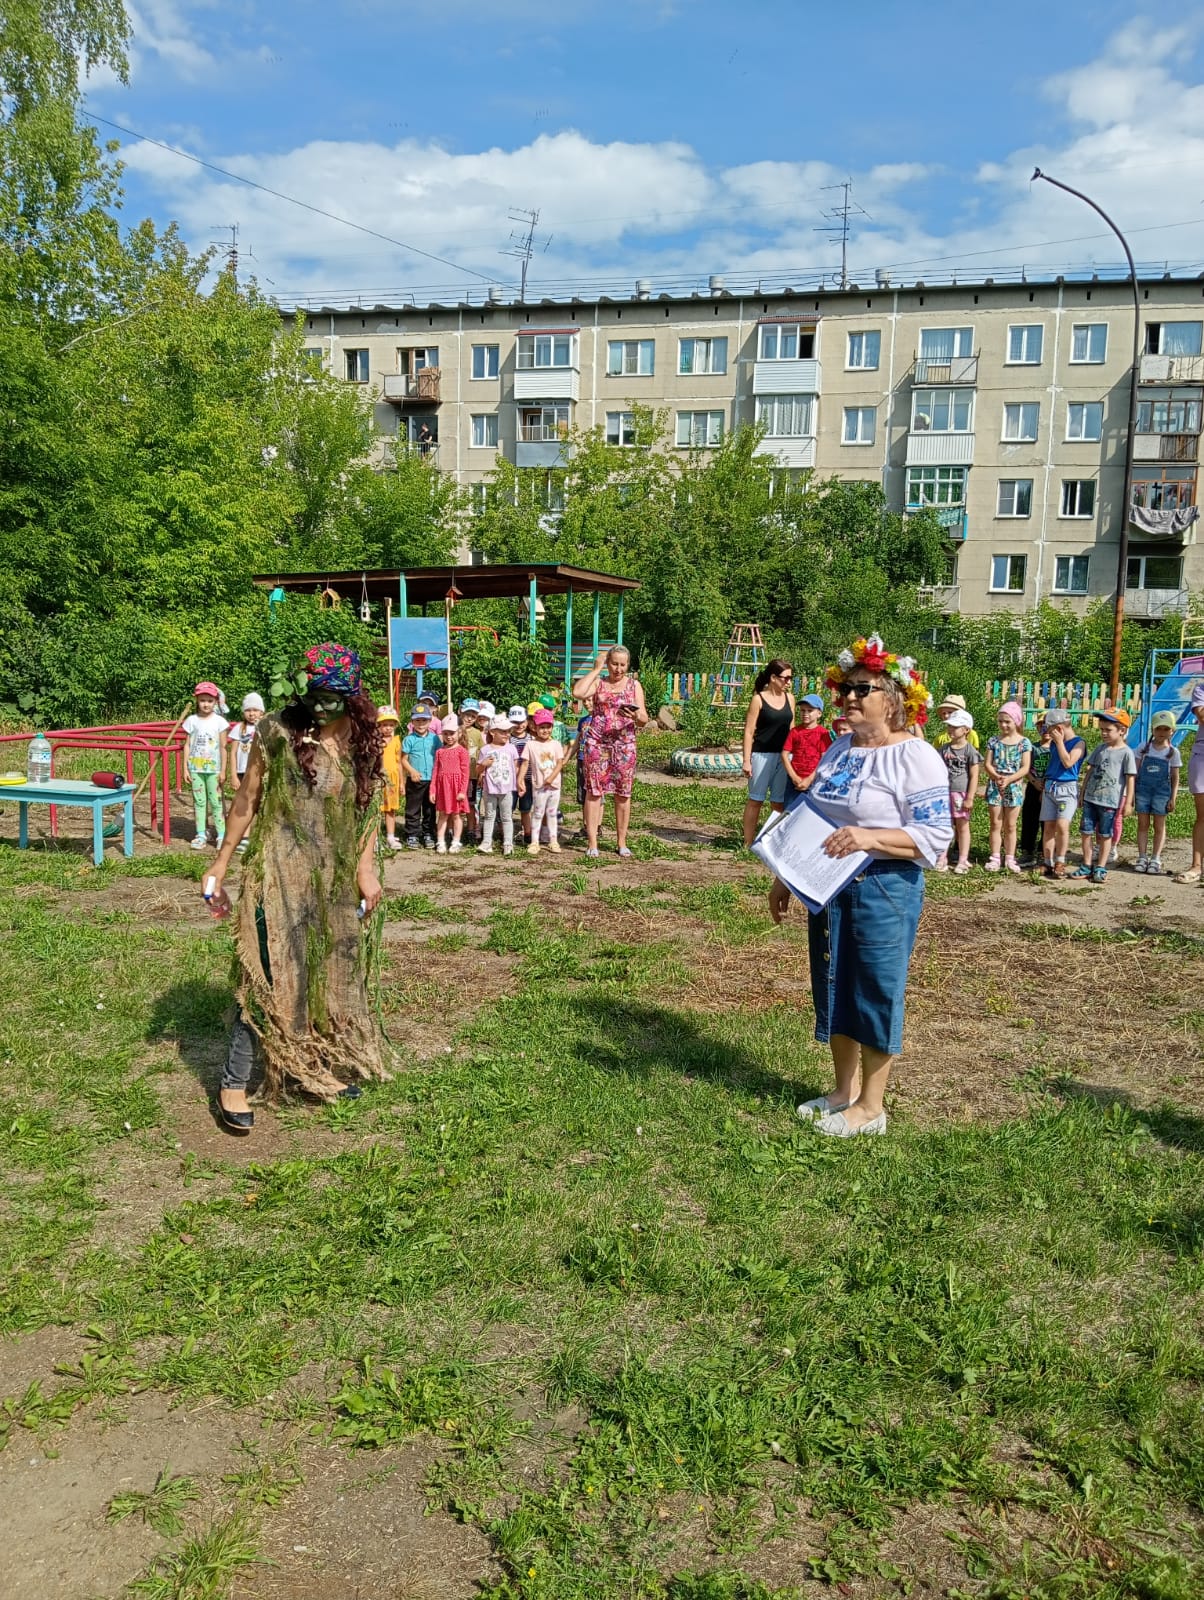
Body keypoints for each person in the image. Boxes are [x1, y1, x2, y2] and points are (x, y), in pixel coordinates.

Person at [768, 634, 951, 1138]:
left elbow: (936, 836)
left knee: (873, 988)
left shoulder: (916, 757)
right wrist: (786, 875)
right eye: (844, 690)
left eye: (861, 690)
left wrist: (869, 837)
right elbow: (814, 812)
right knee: (832, 983)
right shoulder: (840, 747)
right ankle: (842, 1092)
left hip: (884, 887)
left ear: (893, 701)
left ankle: (872, 1107)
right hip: (825, 885)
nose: (847, 699)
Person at [202, 642, 387, 1132]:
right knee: (268, 975)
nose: (323, 706)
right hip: (277, 872)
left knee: (321, 973)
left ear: (353, 695)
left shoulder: (364, 737)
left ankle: (309, 1070)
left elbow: (365, 811)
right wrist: (220, 864)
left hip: (332, 879)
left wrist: (365, 871)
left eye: (335, 697)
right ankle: (234, 1082)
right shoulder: (276, 730)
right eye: (317, 694)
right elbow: (246, 801)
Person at [572, 646, 649, 858]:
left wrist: (634, 716)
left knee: (623, 794)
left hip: (624, 746)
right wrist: (596, 670)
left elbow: (644, 718)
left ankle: (622, 842)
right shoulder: (599, 683)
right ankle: (592, 843)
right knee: (594, 791)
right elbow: (577, 692)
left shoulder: (634, 686)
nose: (618, 668)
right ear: (608, 663)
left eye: (623, 664)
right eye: (614, 663)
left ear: (628, 665)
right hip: (598, 745)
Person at [1073, 709, 1136, 882]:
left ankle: (1101, 866)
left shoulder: (1126, 753)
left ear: (1121, 730)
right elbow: (1090, 771)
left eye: (1108, 730)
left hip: (1110, 802)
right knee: (1086, 832)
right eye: (1101, 729)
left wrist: (1129, 802)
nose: (1103, 733)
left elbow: (1130, 779)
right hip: (1090, 799)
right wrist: (1082, 792)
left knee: (1105, 834)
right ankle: (1086, 864)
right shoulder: (1100, 749)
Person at [740, 659, 796, 846]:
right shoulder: (759, 699)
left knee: (778, 803)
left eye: (791, 678)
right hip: (762, 755)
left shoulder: (790, 699)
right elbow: (749, 731)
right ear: (773, 677)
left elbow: (792, 728)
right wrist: (747, 760)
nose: (789, 682)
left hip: (784, 756)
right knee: (756, 800)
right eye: (786, 678)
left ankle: (774, 844)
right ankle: (748, 843)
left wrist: (794, 754)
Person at [983, 700, 1031, 875]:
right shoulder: (994, 741)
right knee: (995, 823)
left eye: (1007, 721)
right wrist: (996, 776)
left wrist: (1009, 779)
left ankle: (1010, 857)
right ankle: (995, 856)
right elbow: (987, 763)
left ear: (1016, 722)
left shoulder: (1024, 743)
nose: (1003, 725)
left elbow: (1025, 767)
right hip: (996, 786)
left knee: (1010, 825)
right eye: (1001, 721)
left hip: (1014, 787)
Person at [1134, 711, 1182, 876]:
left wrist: (1173, 797)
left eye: (1165, 729)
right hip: (1143, 791)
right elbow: (1135, 771)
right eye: (1158, 729)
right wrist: (1132, 792)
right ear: (1152, 730)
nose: (1161, 733)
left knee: (1159, 826)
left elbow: (1175, 777)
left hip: (1162, 793)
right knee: (1143, 824)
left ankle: (1155, 858)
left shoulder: (1173, 753)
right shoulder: (1143, 748)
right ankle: (1142, 857)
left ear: (1172, 731)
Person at [1039, 709, 1086, 879]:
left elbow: (1068, 762)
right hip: (1051, 787)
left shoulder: (1078, 743)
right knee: (1048, 826)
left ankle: (1060, 860)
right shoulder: (1052, 743)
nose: (1047, 734)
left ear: (1058, 728)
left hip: (1067, 788)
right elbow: (1053, 764)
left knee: (1062, 825)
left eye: (1049, 730)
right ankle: (1047, 861)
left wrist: (1059, 742)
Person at [183, 681, 230, 851]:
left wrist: (223, 770)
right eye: (202, 700)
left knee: (216, 802)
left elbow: (224, 747)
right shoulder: (191, 720)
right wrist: (185, 768)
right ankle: (201, 833)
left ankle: (222, 834)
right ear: (197, 700)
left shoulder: (220, 722)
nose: (206, 704)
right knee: (199, 802)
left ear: (215, 701)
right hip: (196, 768)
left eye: (209, 701)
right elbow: (187, 745)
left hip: (214, 770)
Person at [939, 709, 981, 873]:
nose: (950, 729)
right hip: (944, 793)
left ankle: (963, 860)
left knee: (962, 826)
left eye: (955, 727)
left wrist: (969, 797)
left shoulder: (970, 751)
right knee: (945, 826)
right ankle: (942, 857)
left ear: (966, 730)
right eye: (949, 726)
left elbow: (974, 775)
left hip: (961, 794)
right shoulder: (943, 749)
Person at [476, 714, 522, 855]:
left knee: (507, 817)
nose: (506, 734)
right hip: (489, 789)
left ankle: (508, 843)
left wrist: (518, 784)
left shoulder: (511, 749)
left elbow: (516, 767)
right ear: (492, 731)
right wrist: (483, 765)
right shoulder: (485, 749)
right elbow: (477, 769)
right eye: (502, 731)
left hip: (507, 789)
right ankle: (486, 842)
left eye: (508, 731)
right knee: (489, 816)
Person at [526, 708, 566, 855]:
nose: (545, 730)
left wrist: (551, 778)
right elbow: (525, 763)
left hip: (554, 786)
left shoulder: (555, 744)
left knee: (551, 813)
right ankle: (534, 842)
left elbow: (560, 763)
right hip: (539, 785)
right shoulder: (531, 745)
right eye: (542, 727)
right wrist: (520, 780)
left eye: (548, 727)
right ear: (535, 727)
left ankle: (553, 841)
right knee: (537, 813)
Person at [1175, 682, 1204, 884]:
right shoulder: (1201, 689)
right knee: (1202, 815)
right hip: (1202, 755)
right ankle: (1196, 865)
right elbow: (1201, 715)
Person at [429, 713, 470, 853]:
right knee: (442, 815)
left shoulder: (462, 751)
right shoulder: (440, 752)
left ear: (458, 733)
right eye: (445, 733)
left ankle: (456, 841)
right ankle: (440, 841)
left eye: (452, 733)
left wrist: (462, 791)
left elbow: (465, 773)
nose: (449, 737)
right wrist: (433, 790)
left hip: (456, 788)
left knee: (457, 815)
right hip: (443, 788)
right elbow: (435, 771)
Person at [401, 704, 439, 849]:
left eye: (424, 721)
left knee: (430, 809)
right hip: (415, 780)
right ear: (412, 722)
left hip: (431, 780)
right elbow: (403, 759)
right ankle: (412, 834)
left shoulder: (435, 739)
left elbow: (439, 756)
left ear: (430, 721)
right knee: (413, 809)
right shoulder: (409, 739)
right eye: (417, 721)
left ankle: (428, 833)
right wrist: (411, 771)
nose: (421, 724)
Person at [781, 693, 832, 795]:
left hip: (814, 781)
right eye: (802, 710)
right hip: (794, 781)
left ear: (819, 713)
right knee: (790, 810)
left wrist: (809, 779)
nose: (805, 713)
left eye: (810, 710)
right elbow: (784, 754)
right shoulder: (795, 731)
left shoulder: (823, 734)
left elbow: (825, 760)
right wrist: (794, 777)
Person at [1018, 713, 1051, 866]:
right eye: (1041, 726)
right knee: (1030, 818)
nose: (1045, 729)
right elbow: (1026, 767)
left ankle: (1044, 850)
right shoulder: (1033, 748)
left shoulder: (1057, 749)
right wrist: (1034, 781)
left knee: (1048, 821)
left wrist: (1045, 784)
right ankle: (1027, 850)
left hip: (1050, 789)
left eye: (1047, 725)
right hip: (1033, 787)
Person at [378, 704, 403, 850]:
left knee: (390, 809)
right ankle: (374, 839)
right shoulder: (375, 740)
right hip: (378, 778)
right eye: (384, 725)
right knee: (376, 810)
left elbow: (399, 762)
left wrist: (401, 783)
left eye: (391, 725)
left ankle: (390, 837)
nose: (388, 728)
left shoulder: (396, 741)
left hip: (392, 779)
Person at [508, 705, 534, 844]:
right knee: (508, 809)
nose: (519, 725)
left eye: (521, 721)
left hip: (528, 779)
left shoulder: (531, 739)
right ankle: (507, 834)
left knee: (526, 809)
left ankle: (528, 834)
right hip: (510, 781)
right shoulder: (507, 739)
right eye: (515, 722)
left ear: (527, 721)